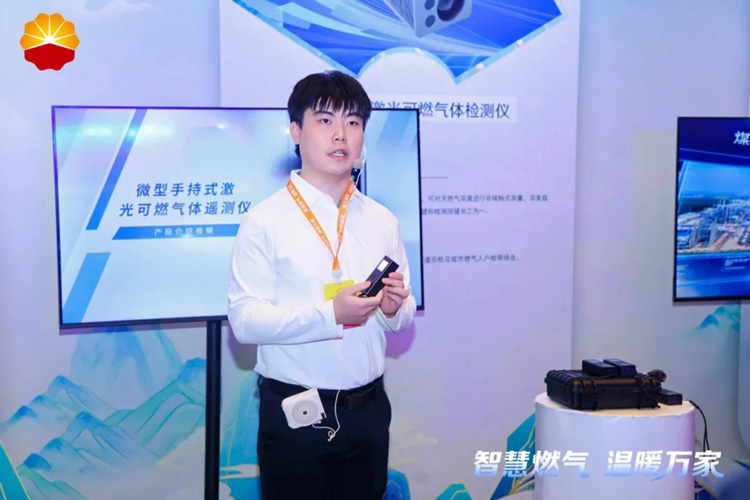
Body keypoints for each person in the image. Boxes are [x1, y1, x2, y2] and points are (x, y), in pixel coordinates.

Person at [228, 70, 416, 500]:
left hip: (369, 411)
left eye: (353, 122)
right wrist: (330, 315)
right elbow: (245, 321)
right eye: (325, 120)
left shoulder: (382, 219)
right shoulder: (264, 221)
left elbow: (403, 314)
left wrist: (392, 309)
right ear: (296, 132)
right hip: (297, 413)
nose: (341, 135)